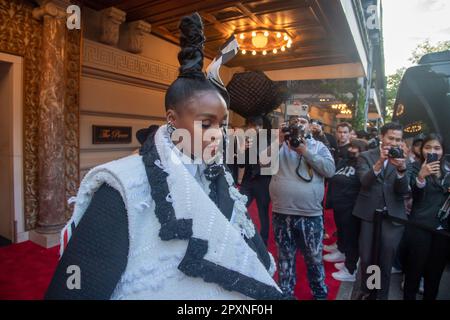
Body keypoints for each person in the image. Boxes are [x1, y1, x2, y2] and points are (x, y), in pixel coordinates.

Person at [45, 13, 283, 300]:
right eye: (206, 124)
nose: (218, 135)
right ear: (172, 118)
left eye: (222, 125)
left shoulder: (216, 174)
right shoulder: (123, 184)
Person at [270, 114, 336, 299]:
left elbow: (330, 170)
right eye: (294, 122)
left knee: (314, 259)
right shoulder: (279, 145)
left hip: (310, 214)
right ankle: (286, 294)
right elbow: (262, 163)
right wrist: (278, 141)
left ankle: (320, 294)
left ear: (310, 126)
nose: (298, 124)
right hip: (281, 212)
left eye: (303, 122)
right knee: (284, 258)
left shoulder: (318, 146)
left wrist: (305, 152)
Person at [352, 122, 410, 300]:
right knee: (368, 259)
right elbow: (364, 182)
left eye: (398, 139)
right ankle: (370, 292)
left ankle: (381, 296)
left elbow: (403, 191)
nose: (394, 142)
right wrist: (379, 163)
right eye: (391, 138)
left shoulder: (403, 159)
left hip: (393, 218)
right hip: (369, 215)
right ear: (381, 137)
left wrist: (401, 170)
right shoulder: (365, 156)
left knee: (385, 261)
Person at [403, 134, 450, 300]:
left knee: (435, 273)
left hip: (442, 229)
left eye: (437, 148)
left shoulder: (448, 168)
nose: (432, 151)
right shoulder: (415, 166)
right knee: (414, 270)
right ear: (422, 150)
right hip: (420, 226)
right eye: (428, 148)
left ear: (443, 150)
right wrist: (421, 177)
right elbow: (413, 195)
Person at [325, 139, 368, 282]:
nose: (352, 150)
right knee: (343, 234)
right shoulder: (344, 162)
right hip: (339, 206)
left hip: (351, 207)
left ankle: (351, 270)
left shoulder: (362, 166)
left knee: (351, 238)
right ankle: (343, 254)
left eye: (356, 148)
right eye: (351, 146)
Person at [238, 116, 272, 246]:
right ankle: (239, 234)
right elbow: (241, 165)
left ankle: (263, 242)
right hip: (248, 181)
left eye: (259, 126)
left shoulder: (269, 141)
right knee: (239, 207)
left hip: (263, 182)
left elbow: (269, 163)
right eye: (253, 126)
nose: (256, 128)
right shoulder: (246, 141)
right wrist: (242, 150)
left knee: (263, 213)